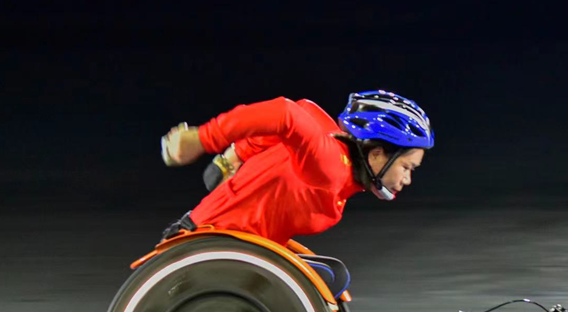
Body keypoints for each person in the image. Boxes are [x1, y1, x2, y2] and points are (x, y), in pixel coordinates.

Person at [159, 90, 434, 245]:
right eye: (408, 167)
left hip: (235, 247)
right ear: (376, 154)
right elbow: (285, 115)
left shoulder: (330, 146)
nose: (408, 179)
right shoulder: (329, 166)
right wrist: (204, 138)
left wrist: (235, 156)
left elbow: (304, 111)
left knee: (332, 281)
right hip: (208, 247)